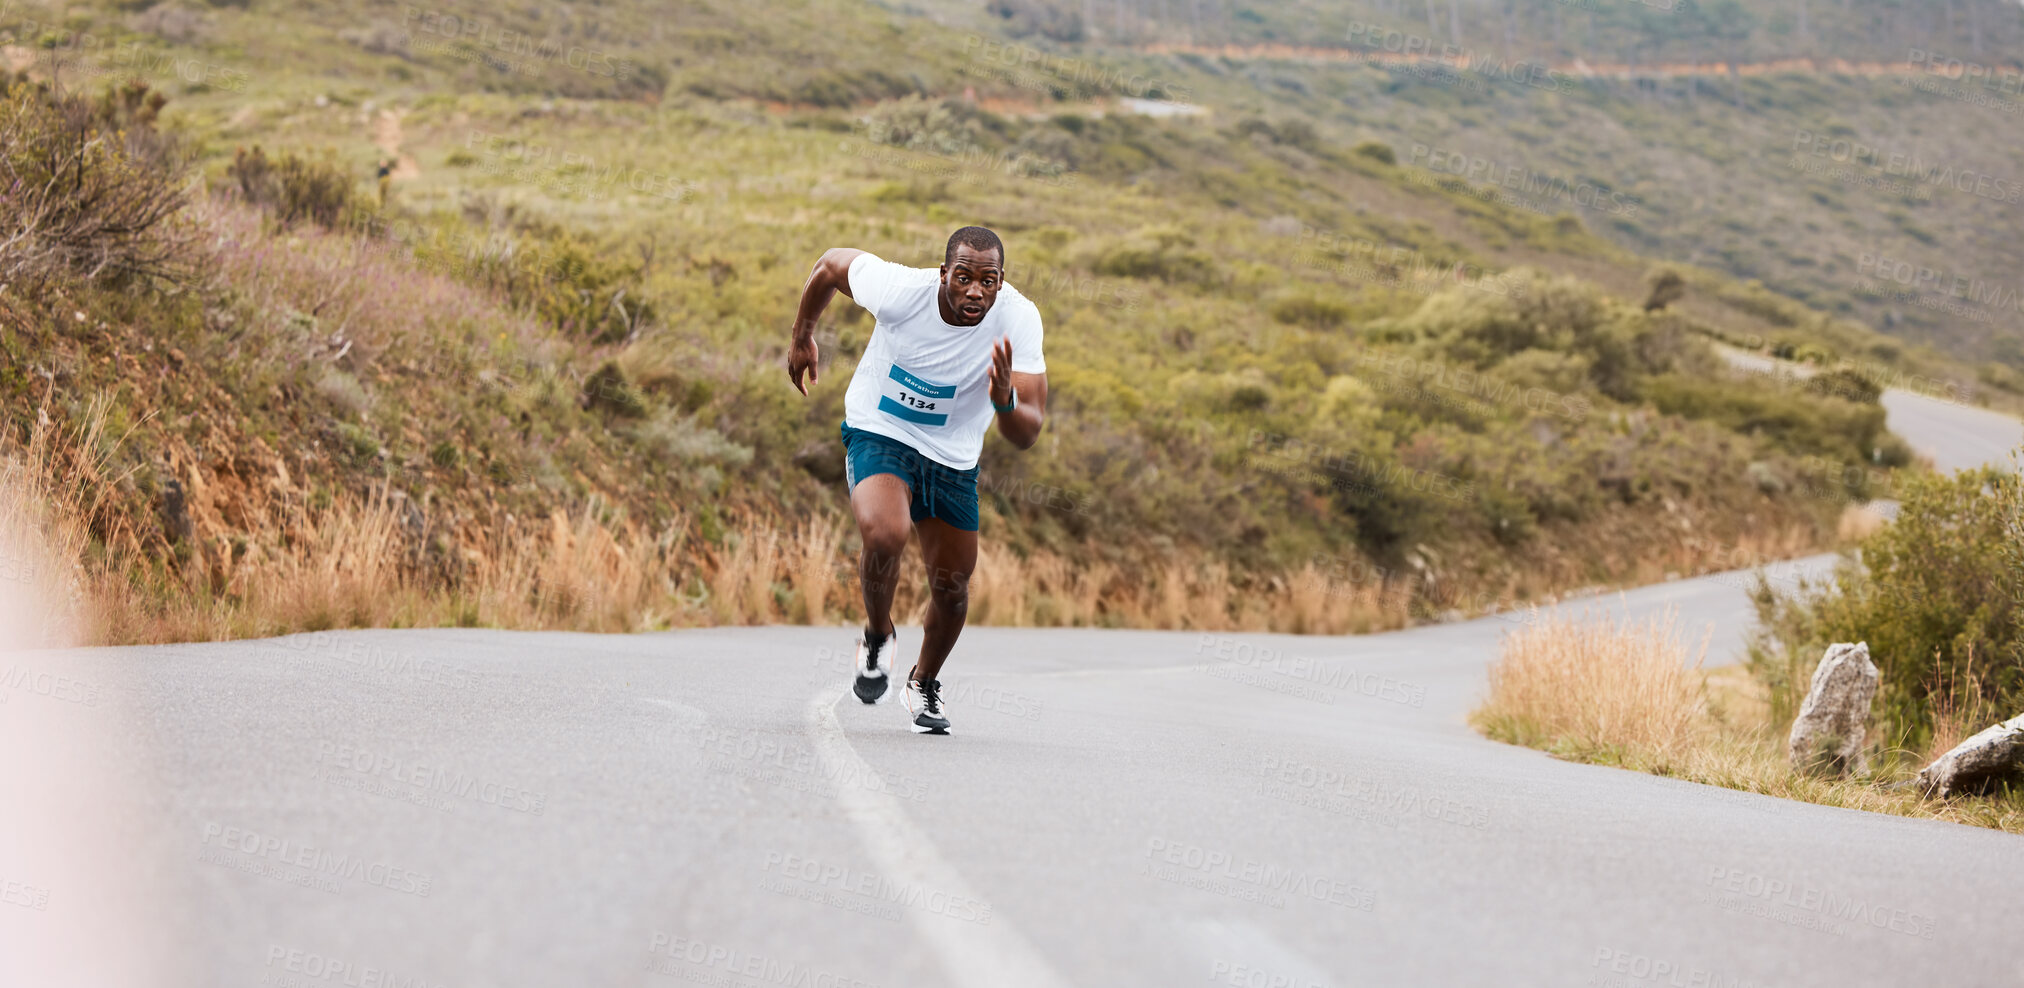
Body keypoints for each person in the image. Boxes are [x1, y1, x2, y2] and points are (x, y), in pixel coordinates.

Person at [786, 227, 1047, 735]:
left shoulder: (1019, 318)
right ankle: (879, 635)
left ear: (1000, 283)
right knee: (886, 533)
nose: (975, 291)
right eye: (964, 277)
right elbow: (830, 265)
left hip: (953, 457)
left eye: (988, 281)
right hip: (881, 429)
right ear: (943, 273)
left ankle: (924, 682)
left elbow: (1028, 431)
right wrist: (802, 336)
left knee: (952, 590)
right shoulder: (900, 290)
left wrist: (1004, 401)